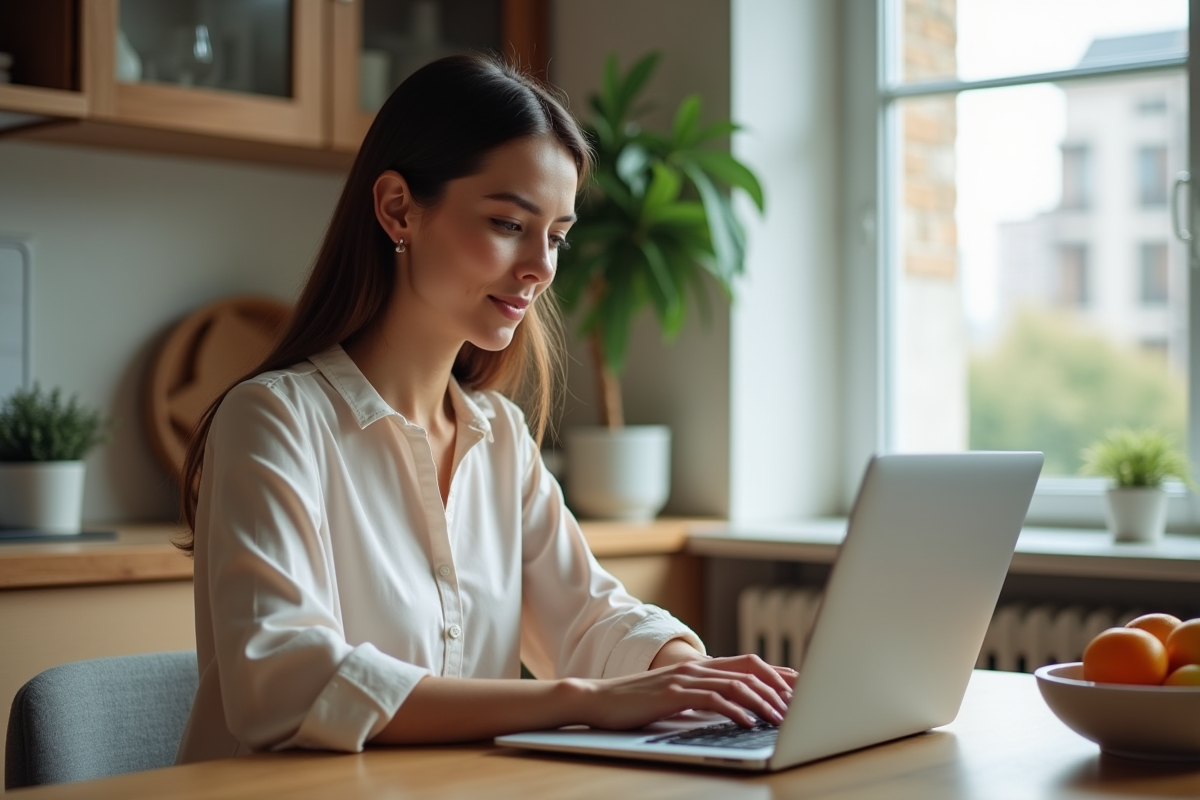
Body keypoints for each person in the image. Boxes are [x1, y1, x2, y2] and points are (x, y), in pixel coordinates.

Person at [174, 53, 793, 764]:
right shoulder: (273, 421)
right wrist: (583, 700)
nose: (541, 267)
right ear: (398, 208)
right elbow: (284, 680)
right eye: (508, 223)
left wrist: (688, 674)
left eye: (557, 236)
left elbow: (590, 616)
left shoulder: (499, 436)